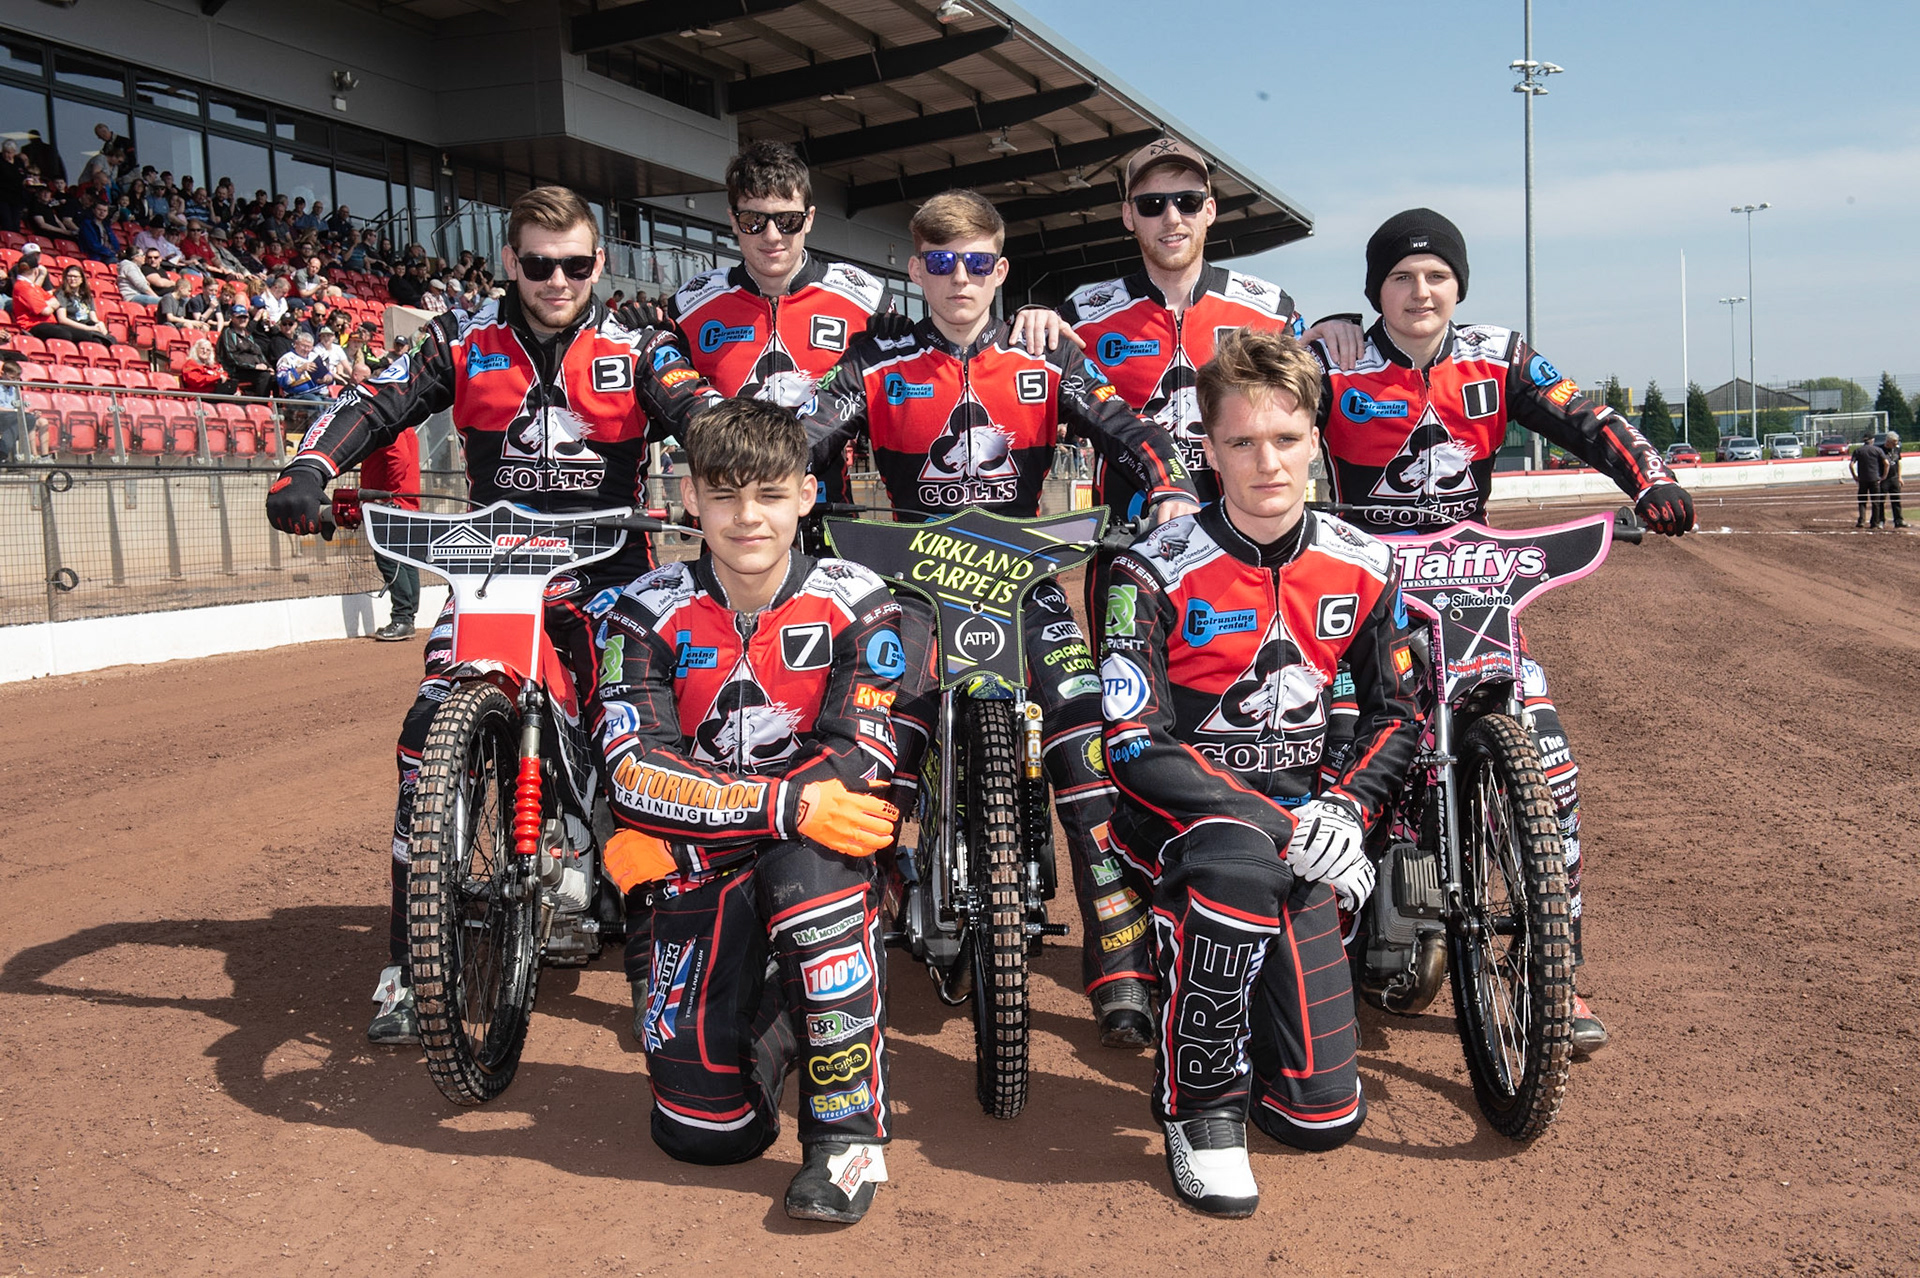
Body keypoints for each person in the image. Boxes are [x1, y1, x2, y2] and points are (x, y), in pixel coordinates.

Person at [265, 184, 721, 1045]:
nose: (558, 281)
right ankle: (407, 966)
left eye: (575, 265)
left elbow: (701, 412)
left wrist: (737, 478)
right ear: (512, 261)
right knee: (424, 735)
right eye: (540, 264)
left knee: (642, 743)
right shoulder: (462, 337)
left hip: (608, 572)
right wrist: (311, 466)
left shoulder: (640, 343)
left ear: (599, 263)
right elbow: (377, 399)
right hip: (491, 571)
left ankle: (651, 957)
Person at [802, 190, 1200, 1045]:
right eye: (943, 263)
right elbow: (806, 432)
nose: (961, 279)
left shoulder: (1046, 354)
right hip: (910, 588)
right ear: (917, 270)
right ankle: (844, 938)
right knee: (874, 742)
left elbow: (1130, 427)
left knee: (1088, 740)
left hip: (1029, 584)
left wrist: (1168, 487)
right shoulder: (874, 356)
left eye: (978, 262)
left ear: (1001, 270)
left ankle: (1122, 967)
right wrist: (764, 487)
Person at [1311, 209, 1694, 1056]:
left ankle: (1556, 968)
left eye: (1437, 277)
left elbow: (1585, 415)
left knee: (1551, 767)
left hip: (1473, 593)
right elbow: (1252, 400)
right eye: (1401, 278)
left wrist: (1651, 478)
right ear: (1375, 289)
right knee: (1333, 753)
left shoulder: (1499, 354)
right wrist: (1305, 334)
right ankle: (1322, 955)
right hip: (1363, 595)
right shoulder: (1335, 359)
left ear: (1459, 287)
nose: (1420, 292)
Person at [1101, 326, 1418, 1217]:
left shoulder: (1366, 562)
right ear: (1207, 450)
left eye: (1284, 437)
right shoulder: (1146, 569)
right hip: (1180, 824)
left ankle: (1239, 1002)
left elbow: (1399, 715)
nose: (1266, 462)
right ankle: (1198, 1105)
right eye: (1241, 442)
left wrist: (1345, 811)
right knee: (1237, 864)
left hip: (1309, 831)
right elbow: (1133, 743)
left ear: (1316, 437)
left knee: (1320, 1116)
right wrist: (1288, 825)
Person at [595, 399, 903, 1223]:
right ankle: (777, 1019)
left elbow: (864, 758)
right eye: (725, 495)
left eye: (768, 494)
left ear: (806, 494)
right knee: (705, 1134)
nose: (747, 517)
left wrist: (774, 821)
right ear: (690, 498)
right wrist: (782, 806)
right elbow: (631, 768)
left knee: (813, 875)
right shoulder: (642, 607)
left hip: (805, 850)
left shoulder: (860, 600)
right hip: (697, 860)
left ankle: (846, 1140)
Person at [358, 427, 422, 641]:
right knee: (405, 561)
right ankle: (407, 618)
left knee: (389, 560)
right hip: (403, 502)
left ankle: (403, 618)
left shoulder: (390, 426)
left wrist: (386, 495)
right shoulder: (404, 426)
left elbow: (398, 458)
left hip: (391, 503)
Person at [52, 266, 115, 348]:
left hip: (88, 325)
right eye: (70, 276)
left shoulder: (87, 296)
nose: (72, 279)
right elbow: (62, 319)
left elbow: (93, 318)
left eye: (75, 277)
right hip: (73, 327)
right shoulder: (61, 294)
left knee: (110, 339)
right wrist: (88, 328)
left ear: (82, 279)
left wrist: (99, 324)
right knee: (96, 340)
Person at [218, 304, 274, 396]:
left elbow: (258, 353)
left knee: (274, 377)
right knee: (264, 376)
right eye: (239, 317)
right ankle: (261, 403)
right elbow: (232, 357)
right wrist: (254, 366)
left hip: (253, 369)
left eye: (245, 317)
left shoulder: (247, 334)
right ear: (232, 318)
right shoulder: (228, 333)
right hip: (236, 371)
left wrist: (268, 366)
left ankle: (279, 404)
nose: (243, 319)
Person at [275, 330, 334, 403]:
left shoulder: (314, 356)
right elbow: (281, 381)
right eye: (303, 346)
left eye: (309, 347)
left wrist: (328, 378)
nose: (306, 349)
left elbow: (328, 374)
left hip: (320, 393)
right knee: (316, 401)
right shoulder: (286, 359)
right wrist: (300, 369)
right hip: (297, 396)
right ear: (296, 344)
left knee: (337, 403)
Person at [1851, 431, 1888, 529]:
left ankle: (1862, 520)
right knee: (1875, 502)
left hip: (1863, 479)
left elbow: (1851, 465)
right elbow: (1886, 463)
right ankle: (1875, 522)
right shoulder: (1878, 450)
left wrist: (1855, 476)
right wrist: (1884, 476)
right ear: (1872, 440)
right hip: (1875, 478)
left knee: (1862, 501)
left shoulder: (1858, 450)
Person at [1882, 431, 1905, 528]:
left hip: (1894, 478)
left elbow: (1898, 462)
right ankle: (1881, 520)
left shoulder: (1897, 449)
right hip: (1884, 479)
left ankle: (1898, 520)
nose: (1896, 445)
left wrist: (1899, 477)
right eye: (1894, 443)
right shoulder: (1880, 450)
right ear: (1888, 441)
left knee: (1896, 500)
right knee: (1881, 500)